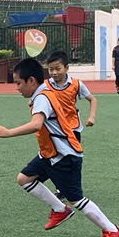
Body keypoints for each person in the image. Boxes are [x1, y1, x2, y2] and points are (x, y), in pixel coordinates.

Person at [0, 58, 119, 237]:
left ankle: (111, 229)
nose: (16, 88)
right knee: (24, 179)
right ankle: (59, 209)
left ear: (31, 81)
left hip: (64, 156)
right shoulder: (44, 92)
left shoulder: (42, 97)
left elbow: (36, 124)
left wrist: (8, 132)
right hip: (49, 155)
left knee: (77, 199)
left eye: (18, 83)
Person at [45, 51, 97, 200]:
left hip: (73, 128)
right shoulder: (46, 85)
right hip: (54, 130)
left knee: (73, 160)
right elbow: (37, 100)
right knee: (56, 159)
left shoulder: (76, 84)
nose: (54, 72)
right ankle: (60, 189)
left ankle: (74, 187)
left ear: (66, 68)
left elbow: (92, 99)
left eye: (57, 68)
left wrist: (91, 117)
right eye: (50, 69)